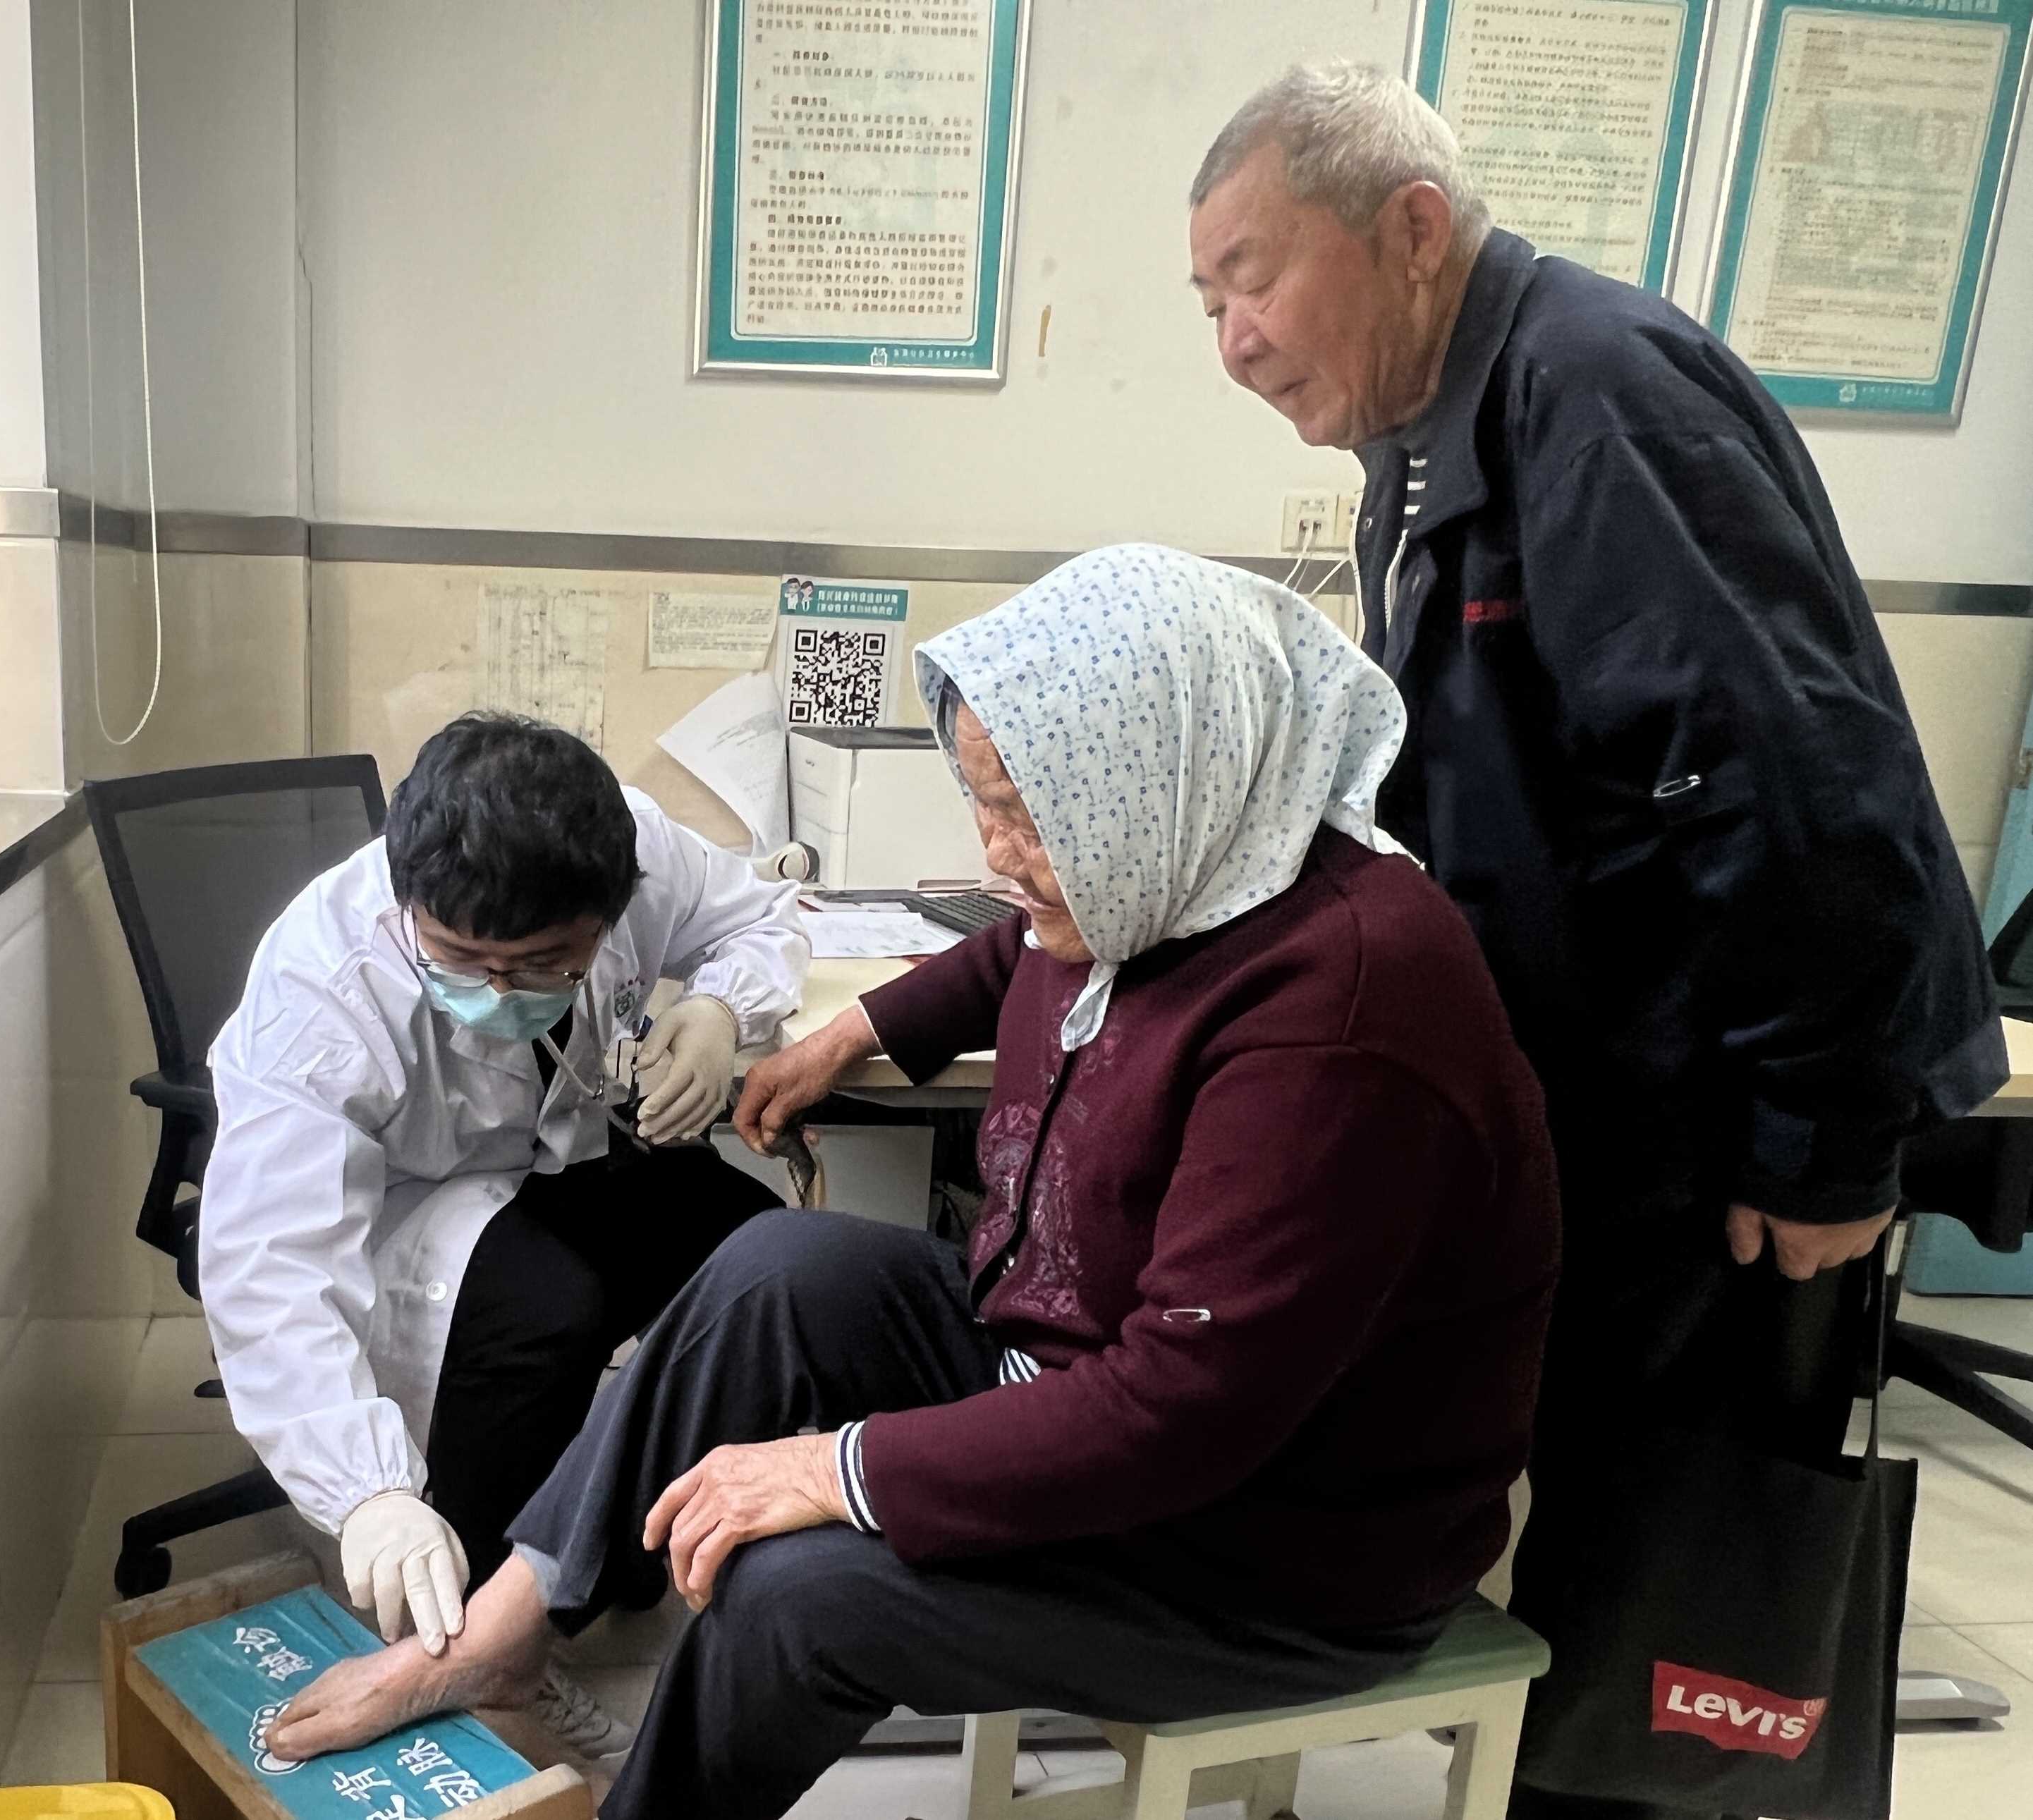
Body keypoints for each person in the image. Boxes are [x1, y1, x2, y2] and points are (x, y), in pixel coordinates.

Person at [258, 546, 1562, 1819]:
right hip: (1072, 1379)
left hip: (1270, 1539)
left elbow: (1184, 1409)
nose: (994, 853)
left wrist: (838, 1467)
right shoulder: (1172, 869)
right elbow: (1010, 955)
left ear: (1165, 773)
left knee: (795, 1593)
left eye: (1023, 816)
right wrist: (851, 1033)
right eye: (980, 802)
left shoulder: (1340, 1015)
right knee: (774, 1269)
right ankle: (505, 1628)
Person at [1187, 64, 2005, 1816]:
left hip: (1737, 1130)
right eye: (1207, 304)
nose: (1235, 342)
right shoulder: (1437, 428)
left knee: (1683, 1597)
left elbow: (1795, 785)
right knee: (1605, 1553)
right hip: (1620, 1110)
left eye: (1254, 277)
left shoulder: (1597, 392)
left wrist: (1823, 1139)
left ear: (1412, 228)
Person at [199, 711, 804, 1754]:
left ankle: (643, 1536)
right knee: (546, 1306)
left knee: (758, 1253)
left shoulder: (633, 850)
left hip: (562, 1158)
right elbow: (269, 1263)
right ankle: (486, 1647)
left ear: (610, 909)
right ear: (408, 900)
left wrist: (719, 1011)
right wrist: (369, 1494)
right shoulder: (321, 984)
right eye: (458, 957)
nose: (495, 990)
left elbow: (763, 914)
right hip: (411, 1205)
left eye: (539, 964)